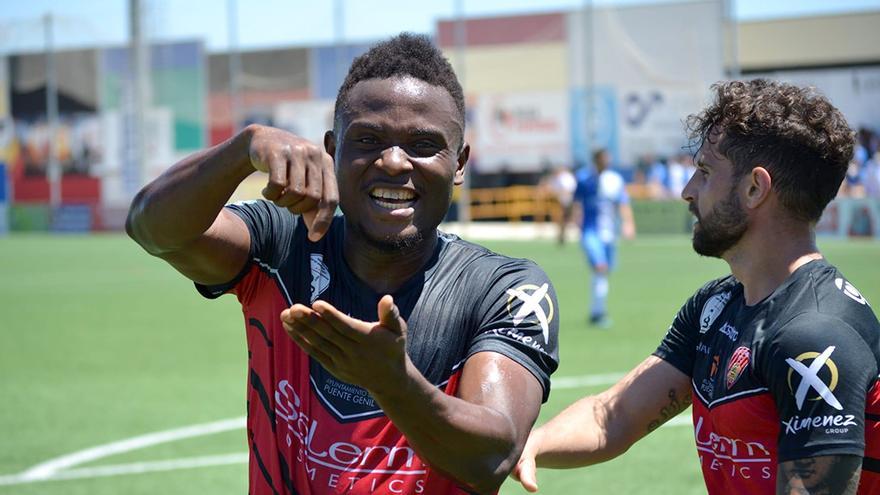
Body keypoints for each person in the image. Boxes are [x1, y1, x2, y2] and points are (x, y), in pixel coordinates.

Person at [126, 33, 559, 495]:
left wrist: (393, 382)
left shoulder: (505, 289)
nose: (393, 162)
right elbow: (152, 229)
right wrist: (243, 149)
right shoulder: (283, 242)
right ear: (332, 150)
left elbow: (491, 456)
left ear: (459, 163)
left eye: (423, 144)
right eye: (368, 139)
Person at [512, 79, 880, 494]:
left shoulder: (816, 335)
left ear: (755, 188)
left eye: (704, 173)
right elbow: (611, 416)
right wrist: (532, 444)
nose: (687, 192)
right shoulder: (717, 305)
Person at [568, 148, 636, 327]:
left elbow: (623, 204)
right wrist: (571, 223)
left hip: (609, 234)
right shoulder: (583, 179)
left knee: (604, 272)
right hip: (590, 232)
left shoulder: (614, 180)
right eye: (603, 158)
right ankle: (598, 313)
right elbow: (575, 203)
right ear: (596, 160)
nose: (606, 161)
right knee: (600, 267)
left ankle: (597, 310)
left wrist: (628, 224)